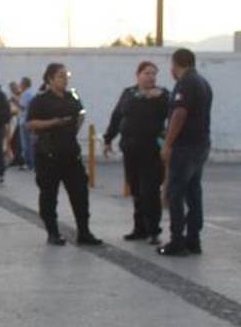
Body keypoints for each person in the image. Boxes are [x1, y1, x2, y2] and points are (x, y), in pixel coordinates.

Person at [26, 63, 102, 246]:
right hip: (48, 156)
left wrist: (72, 128)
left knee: (80, 195)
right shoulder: (40, 100)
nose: (65, 79)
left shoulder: (71, 96)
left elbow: (80, 115)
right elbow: (31, 124)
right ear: (50, 79)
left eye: (66, 75)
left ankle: (84, 232)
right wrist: (53, 123)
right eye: (60, 76)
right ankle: (52, 232)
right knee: (49, 196)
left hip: (70, 154)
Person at [103, 61, 170, 246]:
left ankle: (153, 230)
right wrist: (109, 138)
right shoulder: (129, 93)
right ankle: (139, 228)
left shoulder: (163, 95)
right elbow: (117, 116)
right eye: (147, 73)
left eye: (153, 74)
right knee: (136, 189)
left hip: (151, 150)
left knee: (150, 190)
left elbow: (173, 114)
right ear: (138, 75)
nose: (151, 77)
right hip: (131, 148)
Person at [158, 48, 213, 257]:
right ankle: (193, 239)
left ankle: (177, 241)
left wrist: (168, 143)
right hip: (200, 145)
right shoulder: (203, 82)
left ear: (175, 64)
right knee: (193, 192)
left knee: (175, 193)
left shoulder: (186, 83)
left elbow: (180, 113)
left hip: (185, 147)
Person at [17, 77, 36, 170]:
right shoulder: (31, 93)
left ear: (24, 84)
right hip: (30, 120)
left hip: (24, 121)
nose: (19, 85)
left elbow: (22, 107)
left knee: (26, 143)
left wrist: (14, 101)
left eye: (20, 83)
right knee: (30, 142)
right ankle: (32, 163)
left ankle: (28, 163)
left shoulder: (25, 94)